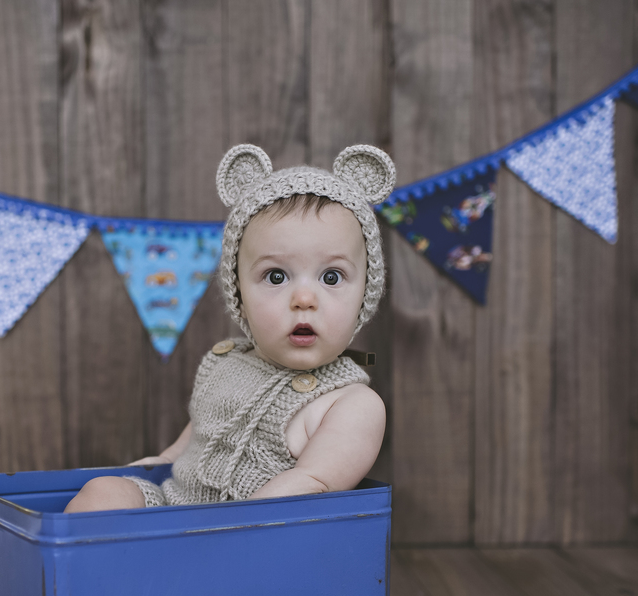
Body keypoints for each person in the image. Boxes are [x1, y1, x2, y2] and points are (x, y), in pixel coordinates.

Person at [64, 143, 395, 513]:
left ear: (365, 293)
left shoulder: (352, 405)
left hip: (252, 534)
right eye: (276, 276)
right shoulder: (225, 364)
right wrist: (153, 464)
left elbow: (313, 483)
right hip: (172, 509)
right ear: (239, 293)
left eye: (331, 277)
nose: (304, 298)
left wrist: (226, 531)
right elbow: (191, 444)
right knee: (103, 492)